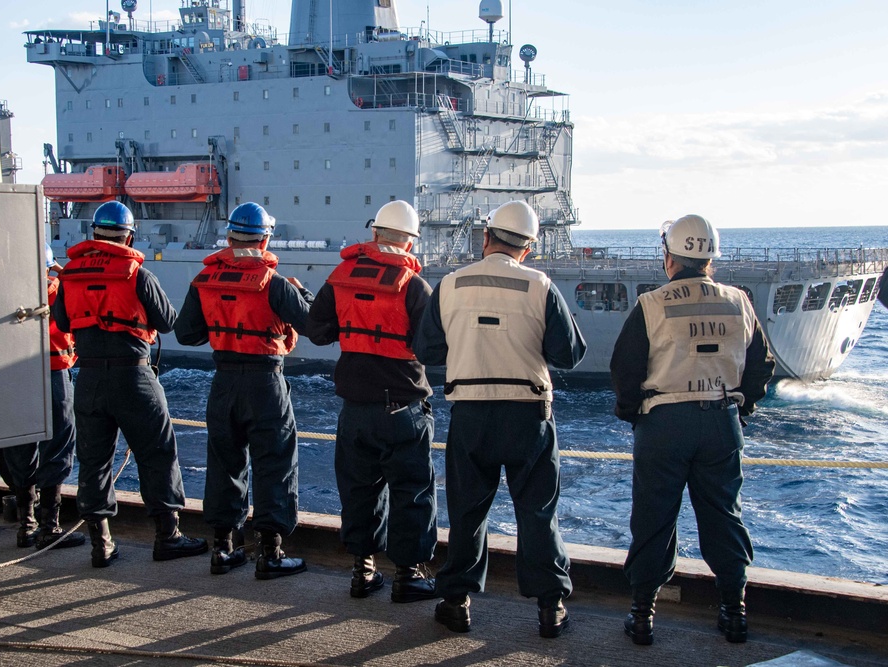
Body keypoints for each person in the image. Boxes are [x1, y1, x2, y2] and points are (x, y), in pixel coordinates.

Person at [413, 200, 586, 637]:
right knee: (537, 512)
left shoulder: (450, 285)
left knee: (468, 512)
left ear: (485, 237)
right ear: (527, 247)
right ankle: (550, 610)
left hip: (471, 413)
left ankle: (456, 604)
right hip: (528, 416)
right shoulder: (540, 285)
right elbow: (569, 354)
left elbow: (427, 350)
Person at [610, 214, 775, 645]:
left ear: (670, 257)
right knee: (724, 516)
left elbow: (625, 369)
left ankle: (643, 614)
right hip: (720, 419)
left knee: (653, 519)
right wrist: (741, 409)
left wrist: (636, 415)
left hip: (664, 422)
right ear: (710, 259)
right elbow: (762, 364)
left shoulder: (652, 303)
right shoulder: (739, 301)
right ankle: (734, 612)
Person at [53, 201, 207, 567]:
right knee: (157, 454)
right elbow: (167, 322)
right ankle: (167, 537)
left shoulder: (69, 275)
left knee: (93, 461)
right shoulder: (136, 274)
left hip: (88, 378)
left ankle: (101, 544)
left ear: (93, 235)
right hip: (133, 376)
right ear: (130, 235)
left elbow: (61, 321)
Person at [306, 200, 438, 603]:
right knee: (412, 492)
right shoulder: (415, 286)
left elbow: (317, 330)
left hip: (355, 410)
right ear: (410, 243)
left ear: (376, 234)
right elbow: (432, 348)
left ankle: (363, 572)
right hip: (403, 408)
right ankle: (408, 575)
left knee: (359, 491)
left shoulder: (341, 277)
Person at [174, 202, 312, 579]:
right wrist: (305, 295)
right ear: (265, 238)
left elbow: (186, 334)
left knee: (224, 462)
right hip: (266, 382)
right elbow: (316, 326)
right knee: (276, 463)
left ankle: (223, 549)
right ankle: (271, 554)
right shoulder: (277, 284)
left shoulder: (204, 280)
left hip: (223, 382)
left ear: (229, 237)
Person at [0, 244, 86, 551]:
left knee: (19, 446)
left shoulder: (4, 293)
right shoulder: (61, 289)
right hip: (55, 374)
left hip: (15, 376)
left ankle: (26, 524)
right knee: (58, 446)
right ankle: (50, 526)